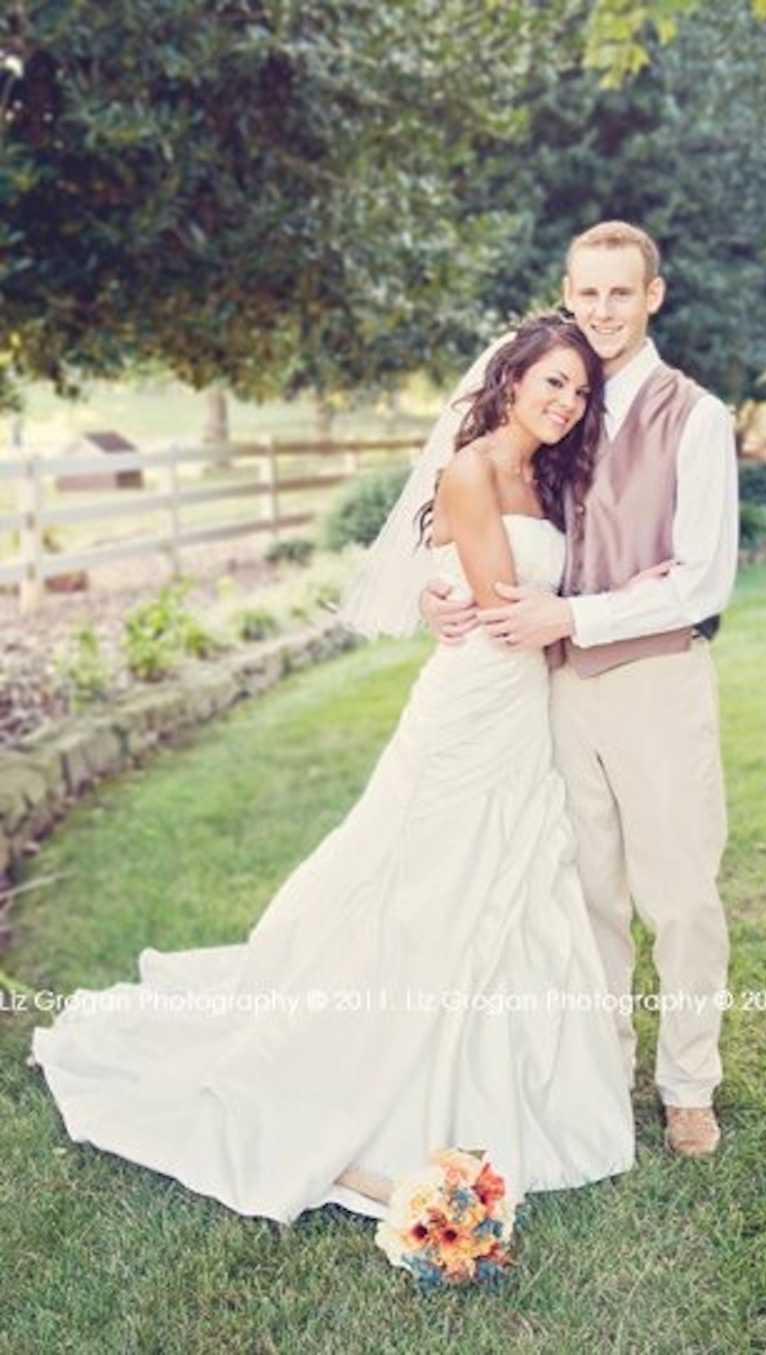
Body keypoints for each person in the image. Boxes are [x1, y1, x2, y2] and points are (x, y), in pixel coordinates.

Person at [29, 314, 636, 1226]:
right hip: (476, 707)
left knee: (509, 884)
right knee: (426, 887)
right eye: (553, 382)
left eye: (580, 391)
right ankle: (361, 1086)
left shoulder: (544, 473)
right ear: (509, 382)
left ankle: (517, 1084)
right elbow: (509, 609)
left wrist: (529, 613)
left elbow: (510, 598)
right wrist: (524, 611)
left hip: (521, 714)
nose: (566, 402)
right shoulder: (472, 469)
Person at [421, 221, 739, 1158]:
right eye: (587, 293)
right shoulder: (556, 408)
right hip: (553, 691)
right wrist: (441, 596)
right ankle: (603, 1071)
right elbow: (473, 511)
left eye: (621, 292)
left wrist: (577, 618)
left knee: (678, 896)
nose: (602, 310)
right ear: (570, 294)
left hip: (656, 682)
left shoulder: (697, 416)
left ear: (654, 296)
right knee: (588, 893)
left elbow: (702, 579)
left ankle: (688, 1084)